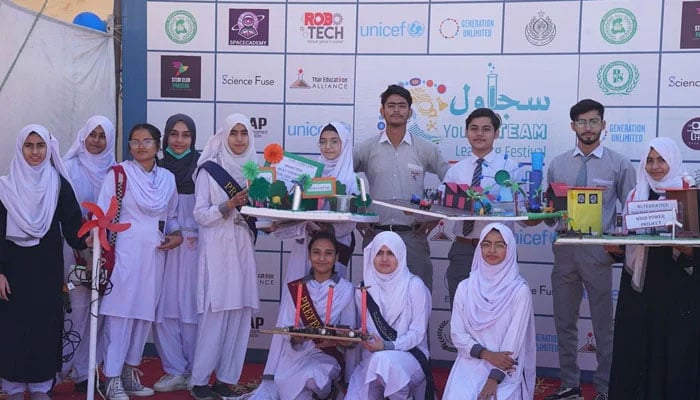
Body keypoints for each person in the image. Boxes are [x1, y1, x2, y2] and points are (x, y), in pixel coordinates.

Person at [251, 122, 359, 399]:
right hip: (303, 253)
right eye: (323, 141)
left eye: (335, 141)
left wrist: (323, 230)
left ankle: (331, 370)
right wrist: (298, 225)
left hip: (334, 257)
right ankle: (279, 371)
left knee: (331, 311)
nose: (328, 147)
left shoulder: (353, 178)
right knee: (295, 305)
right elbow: (293, 220)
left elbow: (349, 225)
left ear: (345, 145)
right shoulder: (307, 177)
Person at [544, 99, 636, 400]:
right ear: (573, 126)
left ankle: (605, 390)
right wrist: (541, 214)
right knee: (564, 322)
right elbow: (550, 211)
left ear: (603, 125)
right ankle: (570, 386)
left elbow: (632, 211)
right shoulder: (557, 164)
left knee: (603, 328)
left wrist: (618, 244)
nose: (588, 128)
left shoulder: (619, 164)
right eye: (581, 122)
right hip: (565, 249)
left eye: (593, 122)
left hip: (599, 252)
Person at [0, 125, 90, 400]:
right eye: (29, 145)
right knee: (12, 328)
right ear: (20, 148)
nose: (36, 152)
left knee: (44, 325)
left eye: (41, 145)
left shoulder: (57, 183)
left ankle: (41, 387)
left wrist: (91, 237)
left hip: (46, 269)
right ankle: (13, 387)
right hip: (11, 271)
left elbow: (74, 227)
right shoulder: (4, 187)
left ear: (49, 148)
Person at [609, 137, 700, 399]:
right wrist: (616, 248)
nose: (655, 166)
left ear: (672, 161)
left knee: (674, 351)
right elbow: (629, 243)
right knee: (636, 349)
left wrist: (688, 250)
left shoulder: (690, 191)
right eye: (649, 160)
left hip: (679, 285)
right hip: (640, 286)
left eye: (661, 160)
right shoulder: (636, 193)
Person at [99, 123, 182, 400]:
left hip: (154, 253)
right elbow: (103, 217)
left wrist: (176, 235)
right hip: (124, 251)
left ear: (158, 146)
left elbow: (172, 217)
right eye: (135, 141)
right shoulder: (118, 174)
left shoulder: (168, 179)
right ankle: (110, 379)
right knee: (120, 315)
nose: (140, 146)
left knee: (142, 316)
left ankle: (127, 373)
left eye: (147, 141)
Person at [189, 113, 259, 400]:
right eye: (234, 133)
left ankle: (227, 379)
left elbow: (261, 214)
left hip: (243, 250)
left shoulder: (256, 172)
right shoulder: (209, 170)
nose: (240, 139)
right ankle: (199, 381)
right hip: (217, 250)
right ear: (224, 135)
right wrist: (227, 205)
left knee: (240, 314)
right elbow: (199, 215)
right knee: (215, 316)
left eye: (244, 133)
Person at [354, 84, 450, 291]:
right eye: (391, 106)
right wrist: (355, 216)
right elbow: (341, 180)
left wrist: (435, 216)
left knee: (419, 298)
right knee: (374, 301)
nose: (396, 110)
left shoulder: (426, 148)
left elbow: (452, 184)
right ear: (382, 111)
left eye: (401, 106)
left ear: (410, 112)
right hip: (376, 237)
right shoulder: (367, 148)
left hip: (413, 238)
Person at [443, 223, 535, 400]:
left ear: (510, 250)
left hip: (506, 369)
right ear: (479, 249)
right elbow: (457, 334)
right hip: (470, 362)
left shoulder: (519, 290)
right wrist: (486, 354)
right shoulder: (465, 287)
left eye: (500, 245)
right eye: (486, 244)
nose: (492, 250)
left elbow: (513, 342)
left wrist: (494, 378)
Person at [442, 108, 523, 307]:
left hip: (497, 250)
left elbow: (520, 211)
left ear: (496, 133)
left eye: (486, 129)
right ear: (466, 132)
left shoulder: (510, 168)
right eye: (474, 129)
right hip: (463, 247)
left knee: (497, 311)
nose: (479, 134)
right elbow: (442, 205)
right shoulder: (456, 170)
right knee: (460, 310)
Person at [60, 115, 116, 392]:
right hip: (73, 250)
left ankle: (86, 372)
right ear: (83, 135)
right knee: (76, 310)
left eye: (102, 135)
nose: (96, 140)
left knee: (100, 314)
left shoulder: (116, 171)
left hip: (105, 252)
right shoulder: (68, 168)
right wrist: (81, 242)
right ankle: (57, 370)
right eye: (92, 134)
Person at [345, 231, 434, 400]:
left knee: (385, 362)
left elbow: (417, 334)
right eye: (379, 253)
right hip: (372, 359)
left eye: (390, 253)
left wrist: (387, 346)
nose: (384, 259)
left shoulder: (414, 286)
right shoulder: (363, 290)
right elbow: (362, 330)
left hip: (411, 356)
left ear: (400, 255)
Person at [269, 232, 357, 400]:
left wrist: (337, 340)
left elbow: (349, 330)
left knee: (312, 378)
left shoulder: (346, 289)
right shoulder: (297, 288)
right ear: (309, 256)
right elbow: (287, 328)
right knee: (295, 392)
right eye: (316, 252)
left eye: (328, 253)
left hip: (327, 354)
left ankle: (330, 389)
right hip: (296, 355)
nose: (322, 258)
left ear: (336, 257)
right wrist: (296, 338)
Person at [153, 114, 200, 392]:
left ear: (193, 138)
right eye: (174, 134)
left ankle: (197, 370)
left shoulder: (202, 168)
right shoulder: (155, 168)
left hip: (195, 247)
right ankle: (174, 369)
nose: (179, 140)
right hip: (164, 247)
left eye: (185, 135)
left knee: (192, 307)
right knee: (164, 307)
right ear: (166, 138)